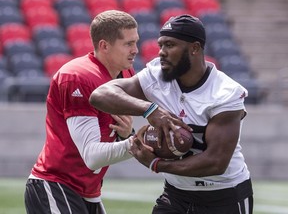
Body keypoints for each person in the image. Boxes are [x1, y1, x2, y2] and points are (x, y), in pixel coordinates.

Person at [89, 14, 253, 214]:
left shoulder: (224, 92)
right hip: (176, 194)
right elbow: (99, 95)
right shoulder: (157, 75)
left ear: (194, 48)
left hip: (223, 195)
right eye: (161, 45)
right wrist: (149, 109)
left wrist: (157, 164)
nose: (161, 53)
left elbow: (215, 162)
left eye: (170, 45)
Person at [24, 10, 139, 214]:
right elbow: (92, 156)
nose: (135, 50)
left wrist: (127, 135)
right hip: (57, 184)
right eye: (128, 44)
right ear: (104, 45)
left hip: (89, 190)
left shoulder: (126, 73)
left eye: (136, 42)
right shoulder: (78, 76)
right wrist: (138, 143)